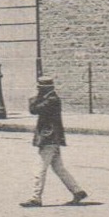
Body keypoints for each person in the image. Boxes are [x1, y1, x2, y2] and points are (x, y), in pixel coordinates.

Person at [21, 76, 87, 208]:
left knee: (40, 168)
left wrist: (32, 97)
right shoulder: (51, 98)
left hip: (49, 138)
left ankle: (36, 198)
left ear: (44, 88)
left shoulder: (51, 100)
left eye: (39, 88)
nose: (38, 90)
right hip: (52, 138)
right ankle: (77, 191)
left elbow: (34, 110)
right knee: (59, 168)